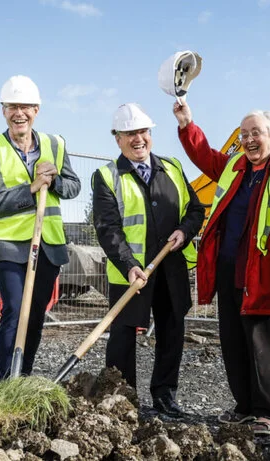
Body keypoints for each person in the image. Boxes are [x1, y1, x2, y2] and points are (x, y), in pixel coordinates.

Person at [174, 101, 270, 435]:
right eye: (244, 134)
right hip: (229, 268)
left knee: (260, 345)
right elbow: (205, 156)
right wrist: (187, 124)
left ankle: (267, 413)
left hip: (261, 272)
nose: (248, 139)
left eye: (255, 132)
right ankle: (244, 407)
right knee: (231, 342)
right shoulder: (235, 167)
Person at [92, 103, 203, 418]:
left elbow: (196, 209)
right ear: (118, 139)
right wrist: (128, 265)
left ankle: (165, 394)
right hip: (132, 272)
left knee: (171, 331)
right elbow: (108, 229)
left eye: (143, 131)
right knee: (123, 336)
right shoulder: (106, 176)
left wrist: (185, 230)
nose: (138, 139)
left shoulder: (172, 167)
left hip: (170, 269)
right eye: (130, 134)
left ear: (150, 134)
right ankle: (122, 397)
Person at [0, 75, 81, 379]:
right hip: (10, 244)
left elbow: (73, 187)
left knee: (34, 316)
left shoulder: (55, 144)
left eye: (26, 107)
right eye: (11, 107)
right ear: (3, 110)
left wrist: (55, 180)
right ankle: (7, 379)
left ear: (37, 110)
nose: (19, 113)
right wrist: (30, 189)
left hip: (48, 244)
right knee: (15, 310)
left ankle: (24, 377)